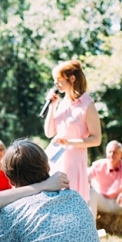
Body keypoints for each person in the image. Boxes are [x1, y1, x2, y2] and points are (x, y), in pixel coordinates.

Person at [43, 59, 103, 202]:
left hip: (73, 161)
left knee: (70, 202)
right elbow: (49, 132)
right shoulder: (63, 102)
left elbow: (96, 139)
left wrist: (69, 142)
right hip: (55, 159)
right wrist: (52, 106)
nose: (56, 84)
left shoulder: (87, 105)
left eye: (58, 79)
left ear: (72, 78)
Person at [88, 140, 122, 238]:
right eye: (110, 152)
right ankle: (91, 230)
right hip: (103, 201)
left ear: (121, 154)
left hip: (119, 202)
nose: (112, 155)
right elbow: (85, 177)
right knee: (91, 193)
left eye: (115, 152)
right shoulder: (97, 165)